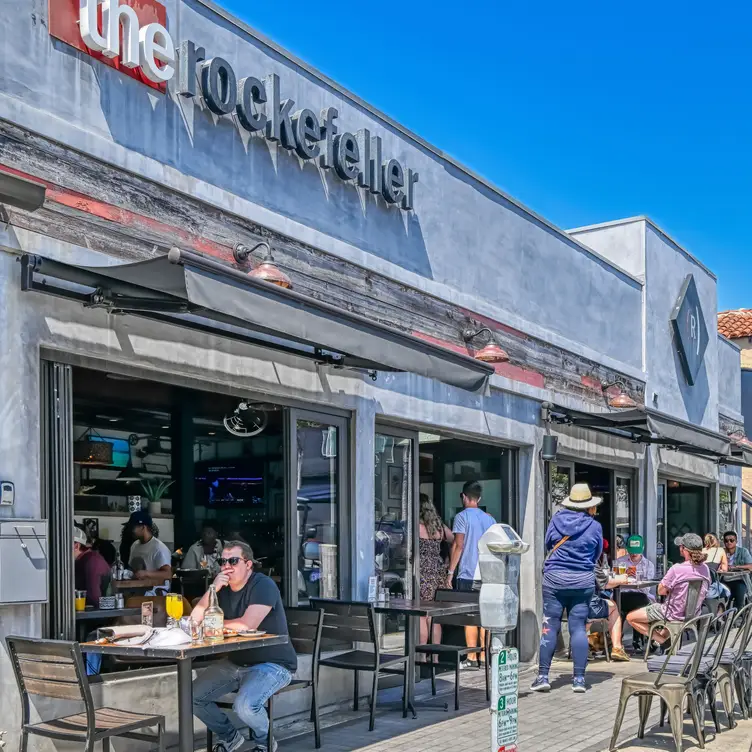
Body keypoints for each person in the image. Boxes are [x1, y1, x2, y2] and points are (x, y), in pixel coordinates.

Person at [192, 541, 297, 752]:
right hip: (236, 661)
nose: (226, 566)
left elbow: (247, 625)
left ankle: (264, 742)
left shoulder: (262, 584)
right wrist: (213, 589)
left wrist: (212, 624)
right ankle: (230, 738)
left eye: (233, 561)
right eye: (223, 561)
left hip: (274, 664)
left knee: (245, 706)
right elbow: (195, 619)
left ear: (248, 564)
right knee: (192, 697)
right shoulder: (221, 589)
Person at [531, 483, 603, 694]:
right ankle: (579, 679)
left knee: (549, 624)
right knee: (578, 627)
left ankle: (543, 676)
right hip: (582, 581)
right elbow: (597, 554)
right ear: (589, 505)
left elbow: (547, 544)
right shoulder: (594, 526)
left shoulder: (556, 520)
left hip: (554, 580)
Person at [627, 533, 711, 648]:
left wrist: (670, 590)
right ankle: (661, 641)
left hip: (671, 613)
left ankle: (663, 642)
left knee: (631, 617)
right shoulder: (705, 569)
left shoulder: (677, 569)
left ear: (684, 550)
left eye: (680, 546)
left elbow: (660, 591)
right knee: (662, 613)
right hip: (693, 615)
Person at [446, 480, 495, 667]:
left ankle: (472, 657)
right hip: (487, 573)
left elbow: (459, 545)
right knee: (485, 616)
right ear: (479, 498)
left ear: (464, 497)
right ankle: (484, 656)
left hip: (468, 573)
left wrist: (450, 572)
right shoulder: (490, 519)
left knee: (470, 616)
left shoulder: (462, 517)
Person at [418, 494, 454, 649]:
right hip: (437, 573)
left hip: (421, 573)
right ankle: (436, 656)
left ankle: (421, 654)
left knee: (421, 615)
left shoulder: (414, 526)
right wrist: (448, 562)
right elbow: (455, 540)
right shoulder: (439, 526)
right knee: (434, 617)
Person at [613, 534, 656, 651]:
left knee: (641, 603)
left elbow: (647, 588)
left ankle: (638, 640)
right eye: (631, 551)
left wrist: (637, 579)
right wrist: (623, 577)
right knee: (619, 606)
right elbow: (613, 582)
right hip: (623, 595)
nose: (634, 554)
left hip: (640, 596)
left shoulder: (648, 565)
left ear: (642, 549)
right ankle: (617, 641)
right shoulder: (620, 562)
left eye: (636, 551)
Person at [588, 544, 630, 662]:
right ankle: (617, 648)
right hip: (587, 605)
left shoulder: (565, 559)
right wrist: (622, 579)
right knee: (613, 606)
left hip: (567, 604)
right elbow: (605, 584)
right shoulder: (588, 559)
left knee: (584, 614)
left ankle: (581, 647)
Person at [127, 511, 172, 589]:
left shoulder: (159, 548)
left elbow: (168, 574)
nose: (131, 530)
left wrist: (146, 573)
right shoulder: (134, 545)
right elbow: (131, 568)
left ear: (143, 527)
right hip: (136, 590)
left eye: (133, 527)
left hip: (155, 593)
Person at [73, 525, 111, 606]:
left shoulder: (92, 561)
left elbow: (94, 598)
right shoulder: (79, 560)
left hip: (96, 614)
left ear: (76, 546)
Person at [723, 530, 752, 610]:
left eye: (731, 540)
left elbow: (750, 566)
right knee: (722, 599)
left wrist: (735, 567)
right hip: (725, 579)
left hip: (740, 579)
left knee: (740, 598)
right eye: (726, 540)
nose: (729, 542)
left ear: (736, 541)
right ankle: (724, 618)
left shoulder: (743, 551)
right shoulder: (721, 552)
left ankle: (739, 616)